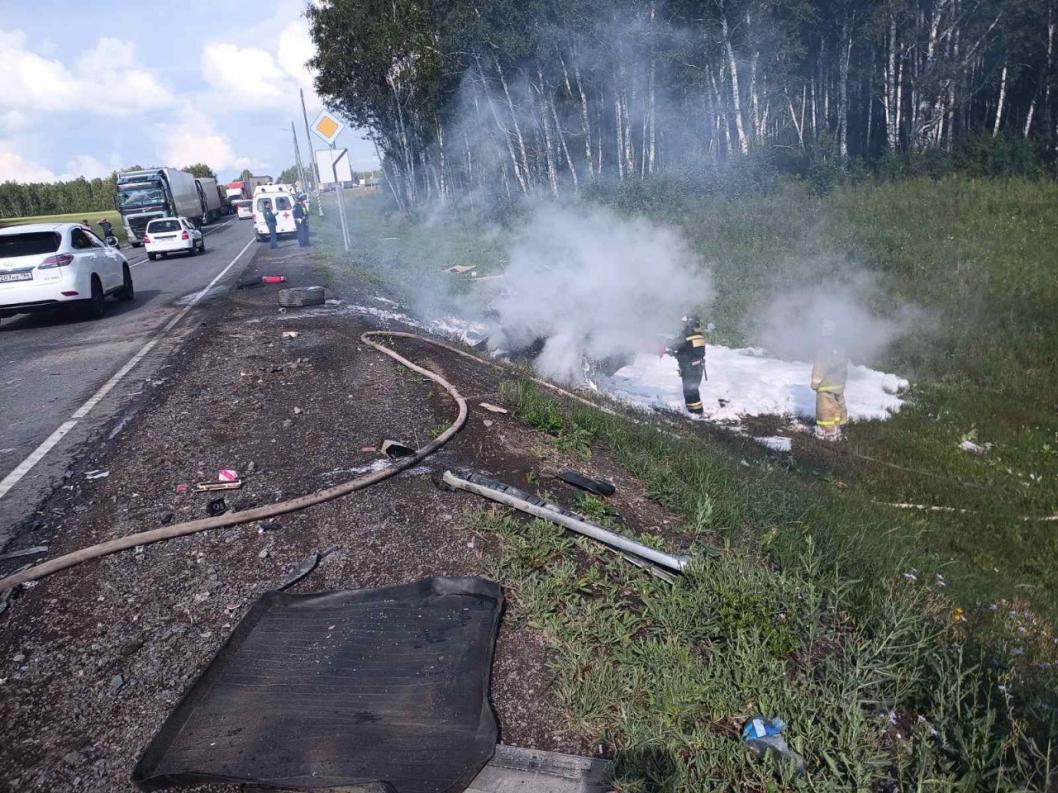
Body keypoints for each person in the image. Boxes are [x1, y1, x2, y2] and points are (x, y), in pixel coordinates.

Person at [811, 319, 848, 440]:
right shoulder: (840, 347)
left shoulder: (824, 348)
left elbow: (821, 366)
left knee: (826, 410)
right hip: (838, 385)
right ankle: (838, 427)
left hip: (826, 385)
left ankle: (827, 433)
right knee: (838, 406)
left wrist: (815, 383)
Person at [669, 315, 708, 416]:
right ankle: (697, 413)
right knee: (692, 389)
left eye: (686, 322)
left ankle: (695, 414)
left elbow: (677, 344)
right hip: (697, 367)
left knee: (689, 390)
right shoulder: (698, 334)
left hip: (690, 367)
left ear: (690, 322)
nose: (685, 325)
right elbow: (691, 350)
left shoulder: (688, 333)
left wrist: (671, 348)